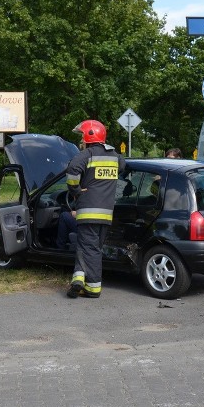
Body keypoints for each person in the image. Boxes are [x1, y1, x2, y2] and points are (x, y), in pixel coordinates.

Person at [65, 119, 125, 299]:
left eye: (82, 138)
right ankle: (78, 279)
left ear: (88, 136)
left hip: (88, 212)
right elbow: (123, 167)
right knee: (91, 248)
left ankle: (92, 288)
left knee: (89, 248)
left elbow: (72, 171)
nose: (81, 142)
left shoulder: (87, 155)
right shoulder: (115, 156)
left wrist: (76, 190)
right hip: (106, 213)